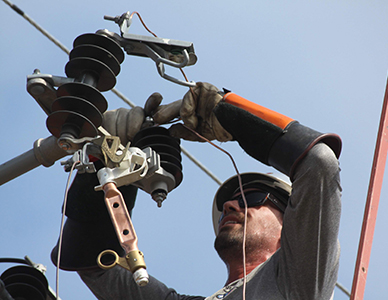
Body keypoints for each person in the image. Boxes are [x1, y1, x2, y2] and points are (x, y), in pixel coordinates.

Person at [51, 82, 342, 300]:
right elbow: (88, 259)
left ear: (291, 221)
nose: (230, 206)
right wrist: (110, 156)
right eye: (231, 201)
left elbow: (319, 163)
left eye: (250, 199)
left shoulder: (300, 281)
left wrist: (228, 114)